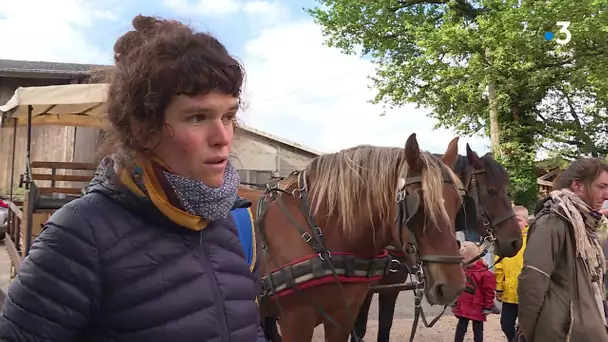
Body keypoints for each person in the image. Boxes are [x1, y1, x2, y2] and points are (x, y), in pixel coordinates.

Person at [0, 15, 266, 342]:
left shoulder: (225, 222)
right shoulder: (78, 237)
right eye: (198, 117)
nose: (222, 136)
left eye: (228, 115)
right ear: (143, 128)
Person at [518, 158, 608, 342]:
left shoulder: (585, 225)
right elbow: (532, 281)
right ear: (577, 185)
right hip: (563, 334)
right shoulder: (552, 221)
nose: (607, 195)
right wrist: (529, 334)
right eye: (601, 187)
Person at [495, 205, 529, 342]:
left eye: (519, 220)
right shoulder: (505, 241)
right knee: (506, 324)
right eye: (513, 221)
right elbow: (499, 266)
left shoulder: (532, 240)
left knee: (525, 327)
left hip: (526, 294)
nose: (516, 224)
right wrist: (499, 287)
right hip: (509, 294)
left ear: (527, 222)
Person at [452, 241, 497, 342]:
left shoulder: (483, 273)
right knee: (462, 328)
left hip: (476, 305)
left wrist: (487, 306)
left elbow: (488, 292)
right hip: (468, 305)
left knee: (476, 330)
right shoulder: (464, 270)